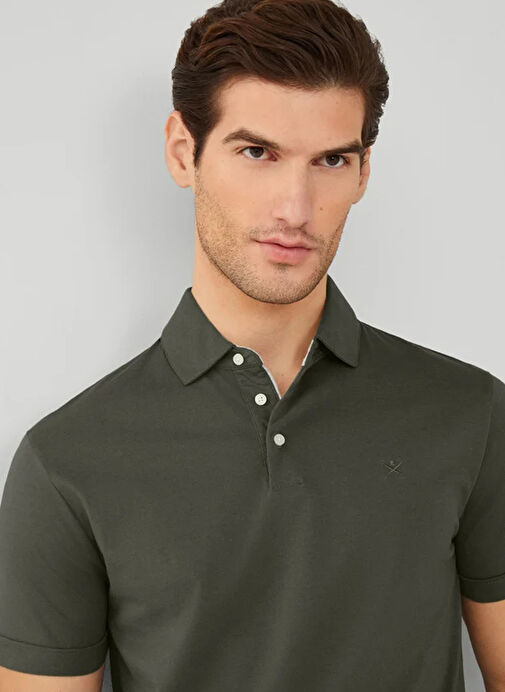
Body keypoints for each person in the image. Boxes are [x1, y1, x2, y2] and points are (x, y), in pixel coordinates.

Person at [1, 0, 504, 690]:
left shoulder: (472, 415)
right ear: (183, 151)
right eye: (257, 152)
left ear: (362, 173)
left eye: (331, 159)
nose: (295, 209)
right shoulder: (66, 464)